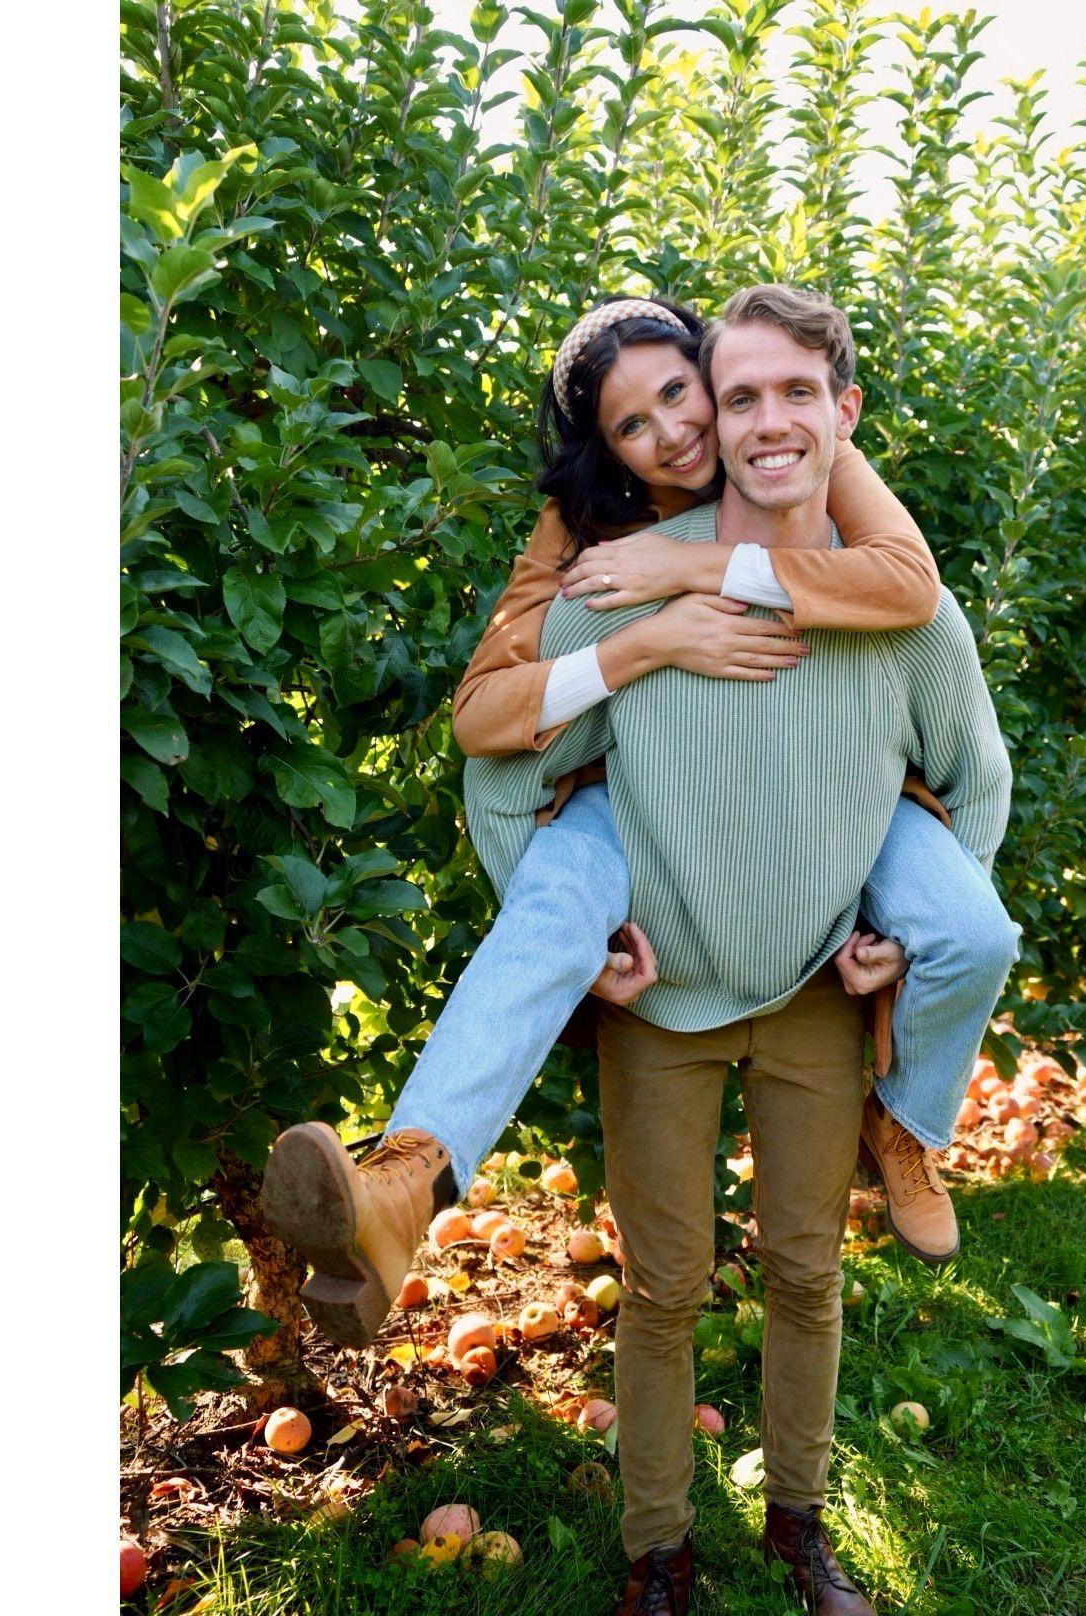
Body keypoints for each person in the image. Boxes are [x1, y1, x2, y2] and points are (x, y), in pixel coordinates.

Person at [258, 293, 1017, 1352]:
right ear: (608, 450)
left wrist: (698, 565)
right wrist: (648, 642)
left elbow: (906, 586)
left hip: (841, 792)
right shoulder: (587, 540)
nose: (677, 431)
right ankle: (404, 1183)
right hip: (646, 795)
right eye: (633, 423)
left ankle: (903, 1125)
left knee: (972, 927)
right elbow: (485, 722)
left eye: (681, 391)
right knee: (552, 913)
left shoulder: (806, 446)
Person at [462, 284, 1013, 1615]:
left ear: (841, 411)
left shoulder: (899, 602)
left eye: (789, 393)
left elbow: (974, 774)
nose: (736, 423)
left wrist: (913, 928)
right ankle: (656, 1550)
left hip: (817, 989)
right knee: (661, 1287)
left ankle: (799, 1528)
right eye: (734, 394)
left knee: (808, 1275)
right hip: (666, 1000)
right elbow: (497, 757)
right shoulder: (611, 579)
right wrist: (569, 931)